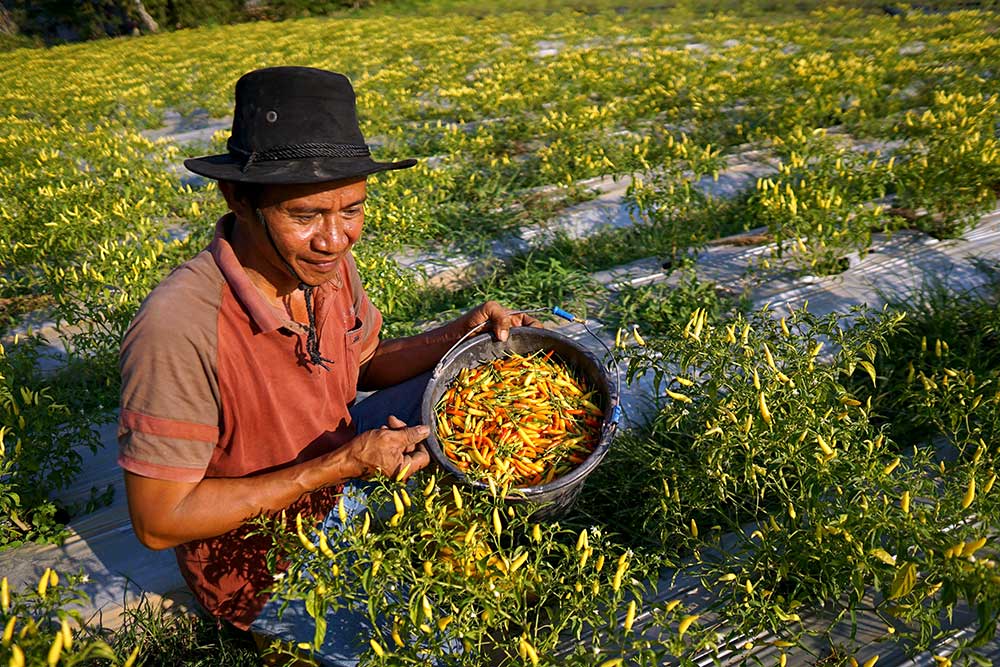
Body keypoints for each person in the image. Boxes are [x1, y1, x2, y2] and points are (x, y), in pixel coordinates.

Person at [117, 66, 539, 660]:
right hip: (265, 563)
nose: (336, 239)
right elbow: (159, 521)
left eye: (352, 210)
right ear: (239, 198)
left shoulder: (321, 266)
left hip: (341, 478)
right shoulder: (179, 328)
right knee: (436, 646)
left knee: (505, 381)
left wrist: (459, 333)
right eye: (306, 215)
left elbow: (362, 365)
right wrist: (337, 466)